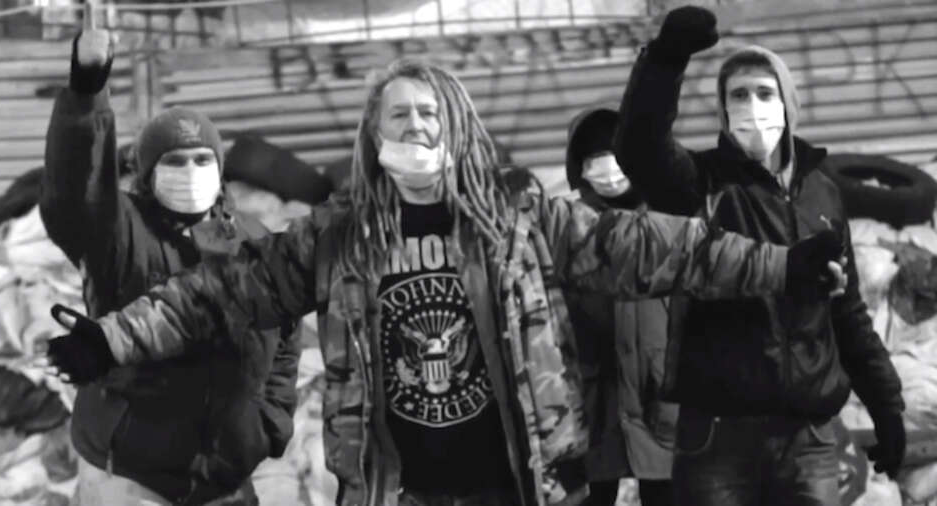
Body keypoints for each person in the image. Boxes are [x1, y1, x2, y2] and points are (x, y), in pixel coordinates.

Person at [46, 58, 844, 506]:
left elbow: (655, 248)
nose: (417, 126)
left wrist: (780, 264)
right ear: (373, 135)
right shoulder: (337, 237)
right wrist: (110, 338)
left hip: (516, 485)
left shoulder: (518, 217)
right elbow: (215, 295)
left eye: (429, 113)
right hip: (400, 492)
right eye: (398, 115)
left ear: (456, 126)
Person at [616, 5, 906, 505]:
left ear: (788, 104)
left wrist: (887, 406)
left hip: (809, 440)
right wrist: (665, 60)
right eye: (738, 95)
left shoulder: (822, 192)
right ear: (723, 110)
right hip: (718, 440)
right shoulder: (700, 184)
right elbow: (639, 150)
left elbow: (847, 312)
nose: (752, 105)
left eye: (765, 93)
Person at [39, 9, 300, 505]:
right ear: (147, 174)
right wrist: (87, 89)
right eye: (175, 161)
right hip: (130, 476)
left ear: (219, 171)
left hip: (223, 477)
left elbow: (285, 337)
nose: (190, 170)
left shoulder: (252, 240)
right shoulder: (118, 233)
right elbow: (73, 192)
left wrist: (269, 422)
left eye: (202, 159)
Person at [564, 107, 675, 506]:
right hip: (592, 407)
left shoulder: (666, 222)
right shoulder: (567, 230)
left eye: (613, 152)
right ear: (579, 168)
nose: (607, 166)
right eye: (594, 157)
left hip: (659, 402)